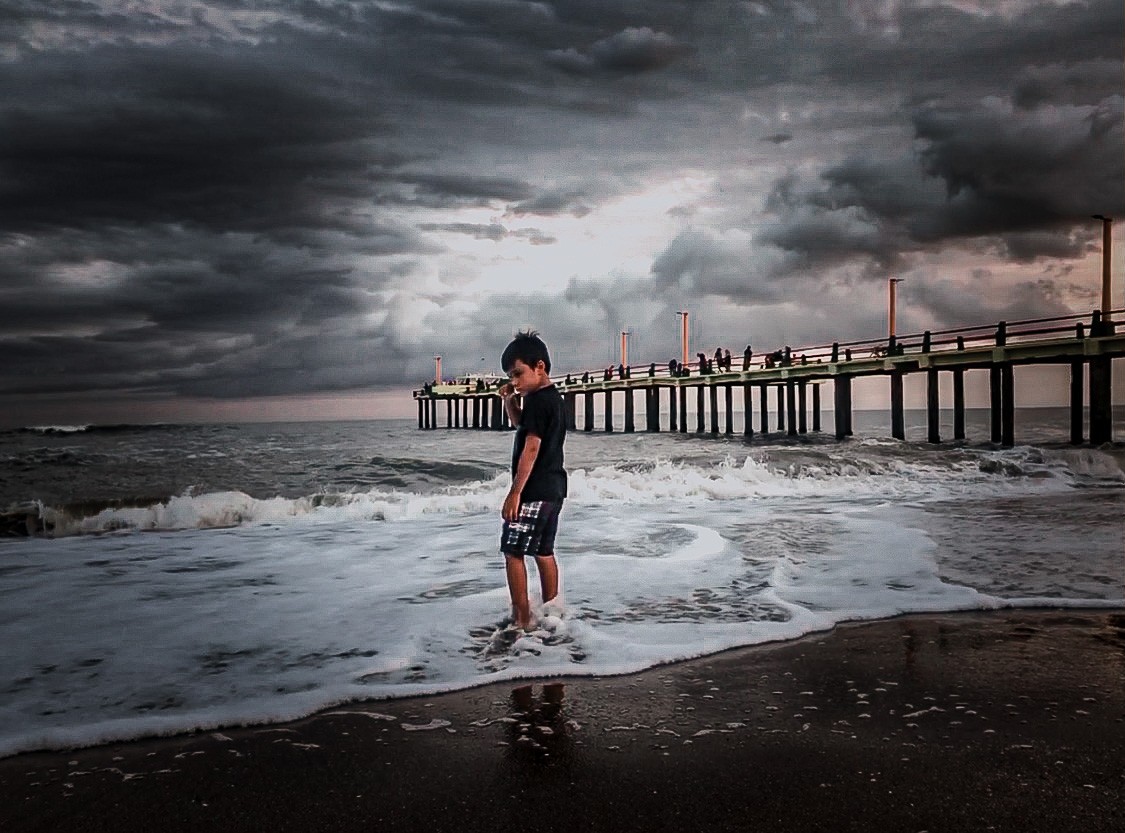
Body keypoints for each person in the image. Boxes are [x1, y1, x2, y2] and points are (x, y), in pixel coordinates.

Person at [498, 331, 568, 631]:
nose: (513, 381)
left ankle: (522, 618)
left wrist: (515, 493)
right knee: (543, 550)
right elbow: (519, 423)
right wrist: (509, 401)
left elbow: (531, 447)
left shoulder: (539, 401)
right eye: (510, 376)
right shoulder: (549, 399)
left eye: (517, 374)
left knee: (513, 552)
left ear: (539, 367)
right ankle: (554, 614)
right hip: (554, 490)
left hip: (534, 491)